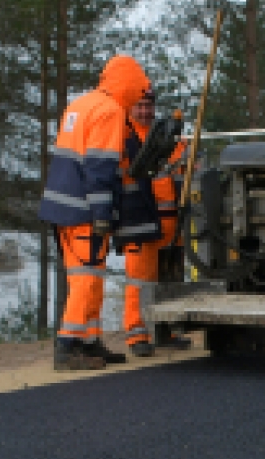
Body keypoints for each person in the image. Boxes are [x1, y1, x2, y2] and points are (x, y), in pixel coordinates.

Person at [38, 55, 152, 371]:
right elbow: (99, 168)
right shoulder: (110, 112)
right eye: (139, 88)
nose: (140, 95)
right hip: (84, 210)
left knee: (86, 278)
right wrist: (103, 213)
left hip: (61, 207)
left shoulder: (80, 105)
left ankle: (90, 341)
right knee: (88, 279)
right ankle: (67, 345)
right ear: (129, 84)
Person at [121, 90, 194, 356]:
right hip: (141, 220)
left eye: (148, 105)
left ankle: (167, 330)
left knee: (170, 278)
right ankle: (136, 333)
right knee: (139, 279)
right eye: (139, 106)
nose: (144, 111)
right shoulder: (125, 137)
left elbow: (187, 170)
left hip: (173, 219)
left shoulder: (171, 138)